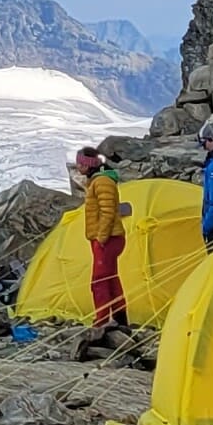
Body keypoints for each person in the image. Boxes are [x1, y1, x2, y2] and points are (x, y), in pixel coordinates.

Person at [71, 145, 129, 357]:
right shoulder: (98, 180)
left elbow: (107, 211)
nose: (78, 167)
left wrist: (101, 238)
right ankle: (121, 319)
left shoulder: (102, 181)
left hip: (108, 239)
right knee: (111, 279)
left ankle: (102, 321)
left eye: (80, 164)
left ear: (89, 165)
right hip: (107, 238)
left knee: (99, 281)